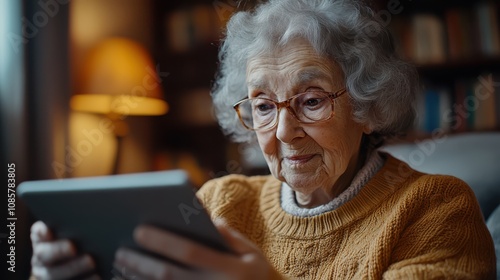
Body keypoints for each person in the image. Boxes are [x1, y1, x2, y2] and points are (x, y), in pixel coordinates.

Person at [30, 0, 496, 279]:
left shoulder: (435, 210)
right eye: (264, 106)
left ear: (366, 106)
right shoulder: (220, 204)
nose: (284, 131)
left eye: (312, 101)